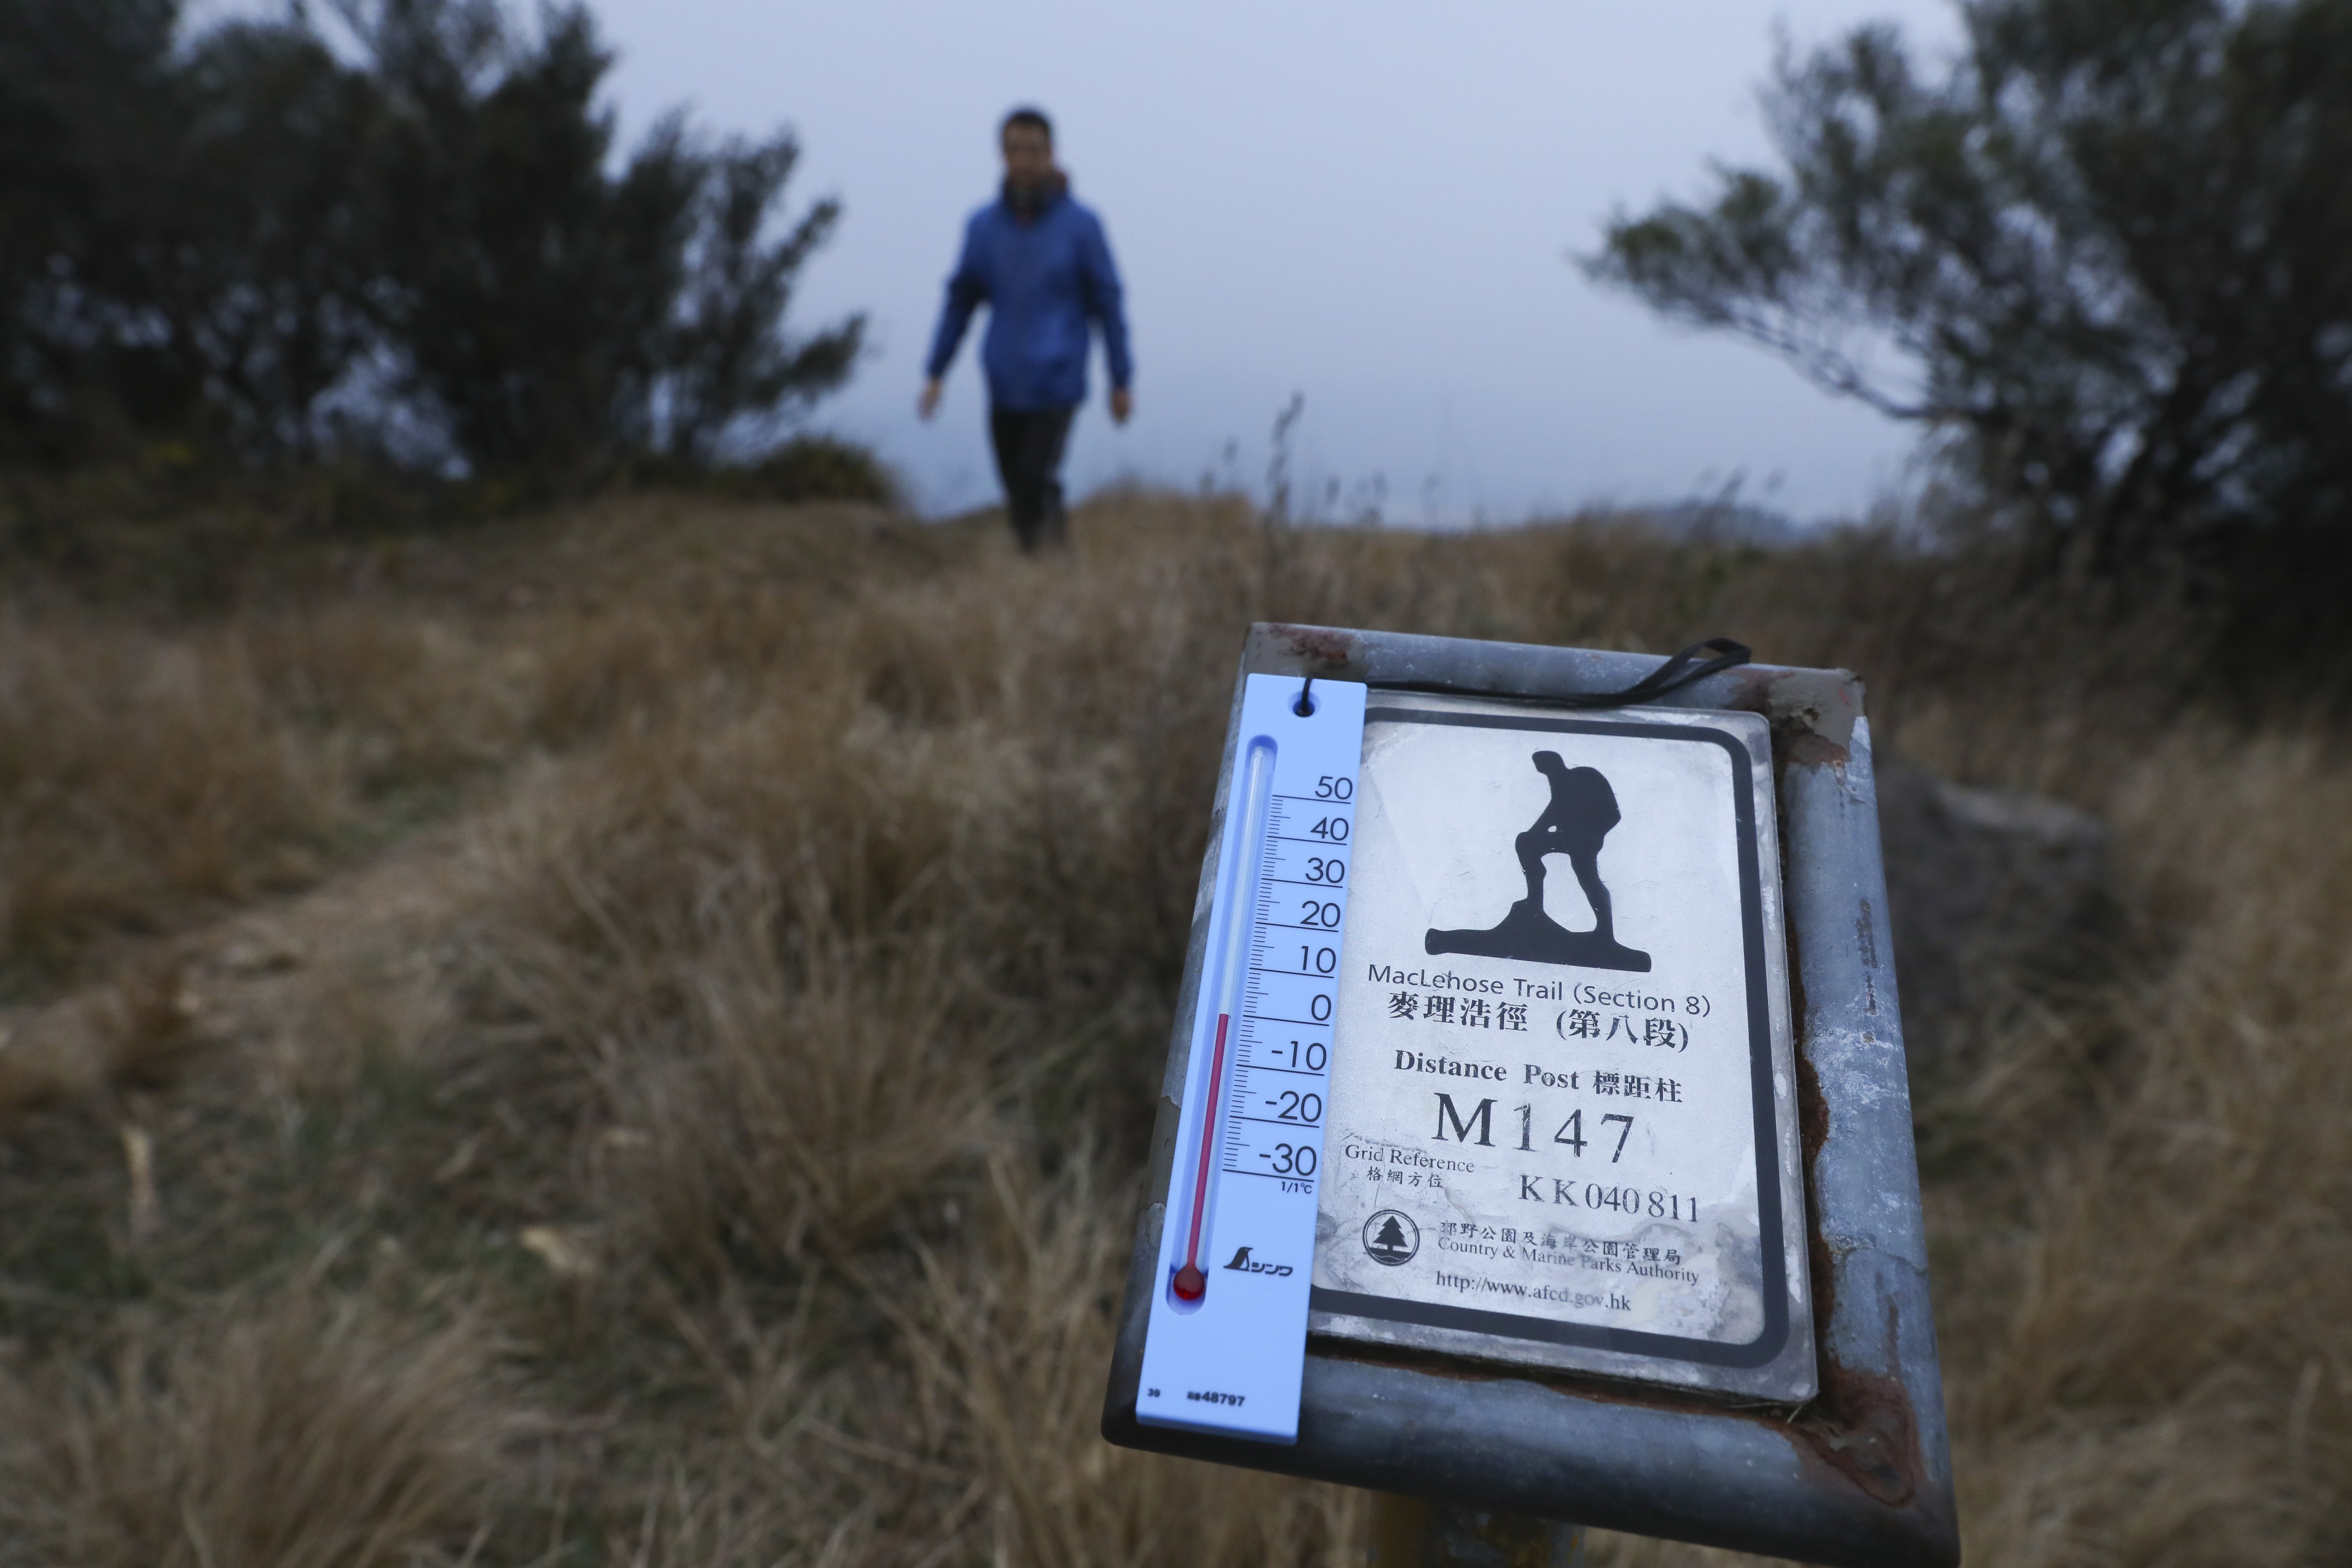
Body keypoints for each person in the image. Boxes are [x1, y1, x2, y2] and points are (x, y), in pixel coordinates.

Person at [919, 107, 1133, 551]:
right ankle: (1043, 568)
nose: (1024, 159)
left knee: (1036, 474)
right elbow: (960, 301)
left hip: (1058, 378)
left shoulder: (1081, 226)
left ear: (1051, 153)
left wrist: (1120, 380)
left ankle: (1052, 565)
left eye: (1033, 149)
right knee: (1018, 486)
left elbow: (1108, 305)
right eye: (1014, 148)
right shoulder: (982, 227)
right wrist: (936, 372)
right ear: (1002, 153)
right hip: (1002, 378)